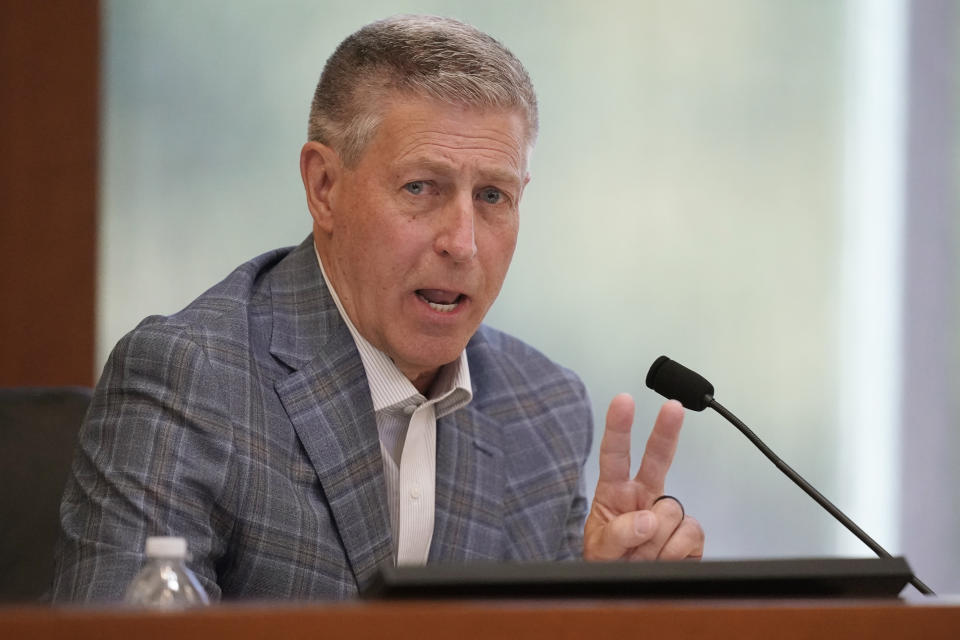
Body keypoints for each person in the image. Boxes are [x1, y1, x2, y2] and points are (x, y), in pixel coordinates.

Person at [52, 15, 703, 602]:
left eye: (494, 197)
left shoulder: (543, 410)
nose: (462, 242)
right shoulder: (191, 380)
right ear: (324, 187)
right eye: (421, 187)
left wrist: (602, 602)